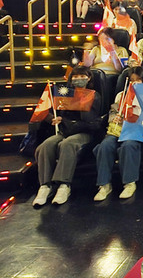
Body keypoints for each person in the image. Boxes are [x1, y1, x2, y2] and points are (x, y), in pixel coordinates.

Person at [32, 66, 103, 207]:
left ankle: (64, 185)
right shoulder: (65, 93)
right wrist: (54, 119)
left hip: (84, 132)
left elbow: (90, 121)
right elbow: (52, 112)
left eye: (82, 76)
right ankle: (45, 186)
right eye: (75, 77)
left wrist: (80, 101)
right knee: (45, 146)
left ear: (89, 78)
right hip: (64, 131)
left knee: (67, 144)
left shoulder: (94, 95)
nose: (78, 79)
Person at [93, 67, 143, 201]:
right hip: (119, 129)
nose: (135, 82)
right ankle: (104, 185)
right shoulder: (121, 95)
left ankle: (129, 183)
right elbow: (114, 111)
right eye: (132, 80)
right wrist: (115, 118)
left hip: (136, 131)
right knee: (105, 146)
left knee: (128, 146)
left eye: (139, 80)